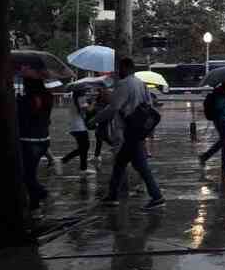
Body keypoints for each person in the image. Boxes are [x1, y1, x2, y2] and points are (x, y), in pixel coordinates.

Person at [94, 57, 165, 211]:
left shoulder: (124, 85)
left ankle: (156, 196)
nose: (118, 71)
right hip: (138, 130)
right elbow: (149, 106)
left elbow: (113, 108)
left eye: (120, 68)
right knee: (121, 163)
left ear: (125, 68)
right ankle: (112, 195)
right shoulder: (141, 84)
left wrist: (95, 120)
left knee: (140, 166)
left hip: (129, 131)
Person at [17, 77, 54, 215]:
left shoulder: (25, 100)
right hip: (44, 140)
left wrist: (18, 100)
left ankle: (36, 203)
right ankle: (37, 198)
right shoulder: (48, 98)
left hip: (29, 141)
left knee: (28, 176)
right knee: (30, 174)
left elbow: (20, 118)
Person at [199, 81, 225, 173]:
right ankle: (224, 165)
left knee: (224, 142)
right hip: (222, 120)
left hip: (223, 120)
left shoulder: (222, 93)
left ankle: (207, 157)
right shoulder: (221, 94)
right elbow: (219, 106)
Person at [60, 89, 95, 174]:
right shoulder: (80, 98)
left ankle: (82, 168)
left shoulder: (75, 98)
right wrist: (94, 103)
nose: (86, 91)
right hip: (79, 127)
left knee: (83, 147)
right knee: (84, 147)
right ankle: (65, 160)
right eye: (85, 89)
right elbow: (89, 110)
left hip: (75, 126)